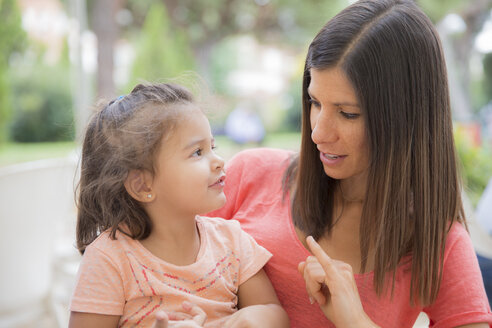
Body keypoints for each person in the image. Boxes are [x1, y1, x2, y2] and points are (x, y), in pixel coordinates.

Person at [206, 0, 492, 327]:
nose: (319, 133)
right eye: (315, 102)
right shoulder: (248, 175)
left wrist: (356, 320)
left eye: (348, 113)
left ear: (407, 121)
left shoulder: (439, 244)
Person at [68, 83, 289, 328]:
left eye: (211, 147)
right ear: (143, 185)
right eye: (197, 152)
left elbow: (275, 315)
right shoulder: (109, 259)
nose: (218, 161)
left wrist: (237, 322)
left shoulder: (232, 242)